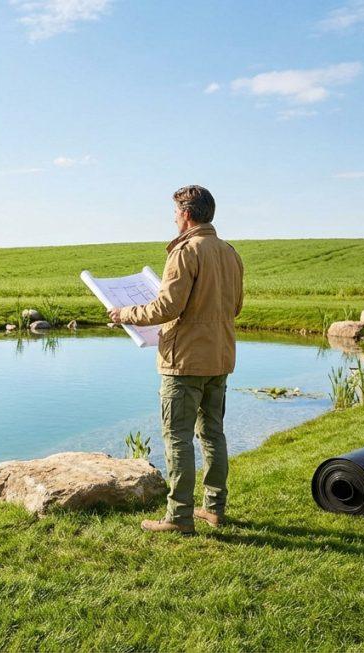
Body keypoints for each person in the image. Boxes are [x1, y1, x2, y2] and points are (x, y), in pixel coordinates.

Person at [108, 185, 244, 535]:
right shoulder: (230, 252)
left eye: (174, 213)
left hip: (184, 362)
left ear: (186, 214)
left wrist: (126, 313)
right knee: (213, 434)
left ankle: (179, 517)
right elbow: (236, 307)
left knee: (178, 437)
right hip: (220, 357)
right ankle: (214, 508)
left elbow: (167, 307)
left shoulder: (185, 252)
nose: (172, 218)